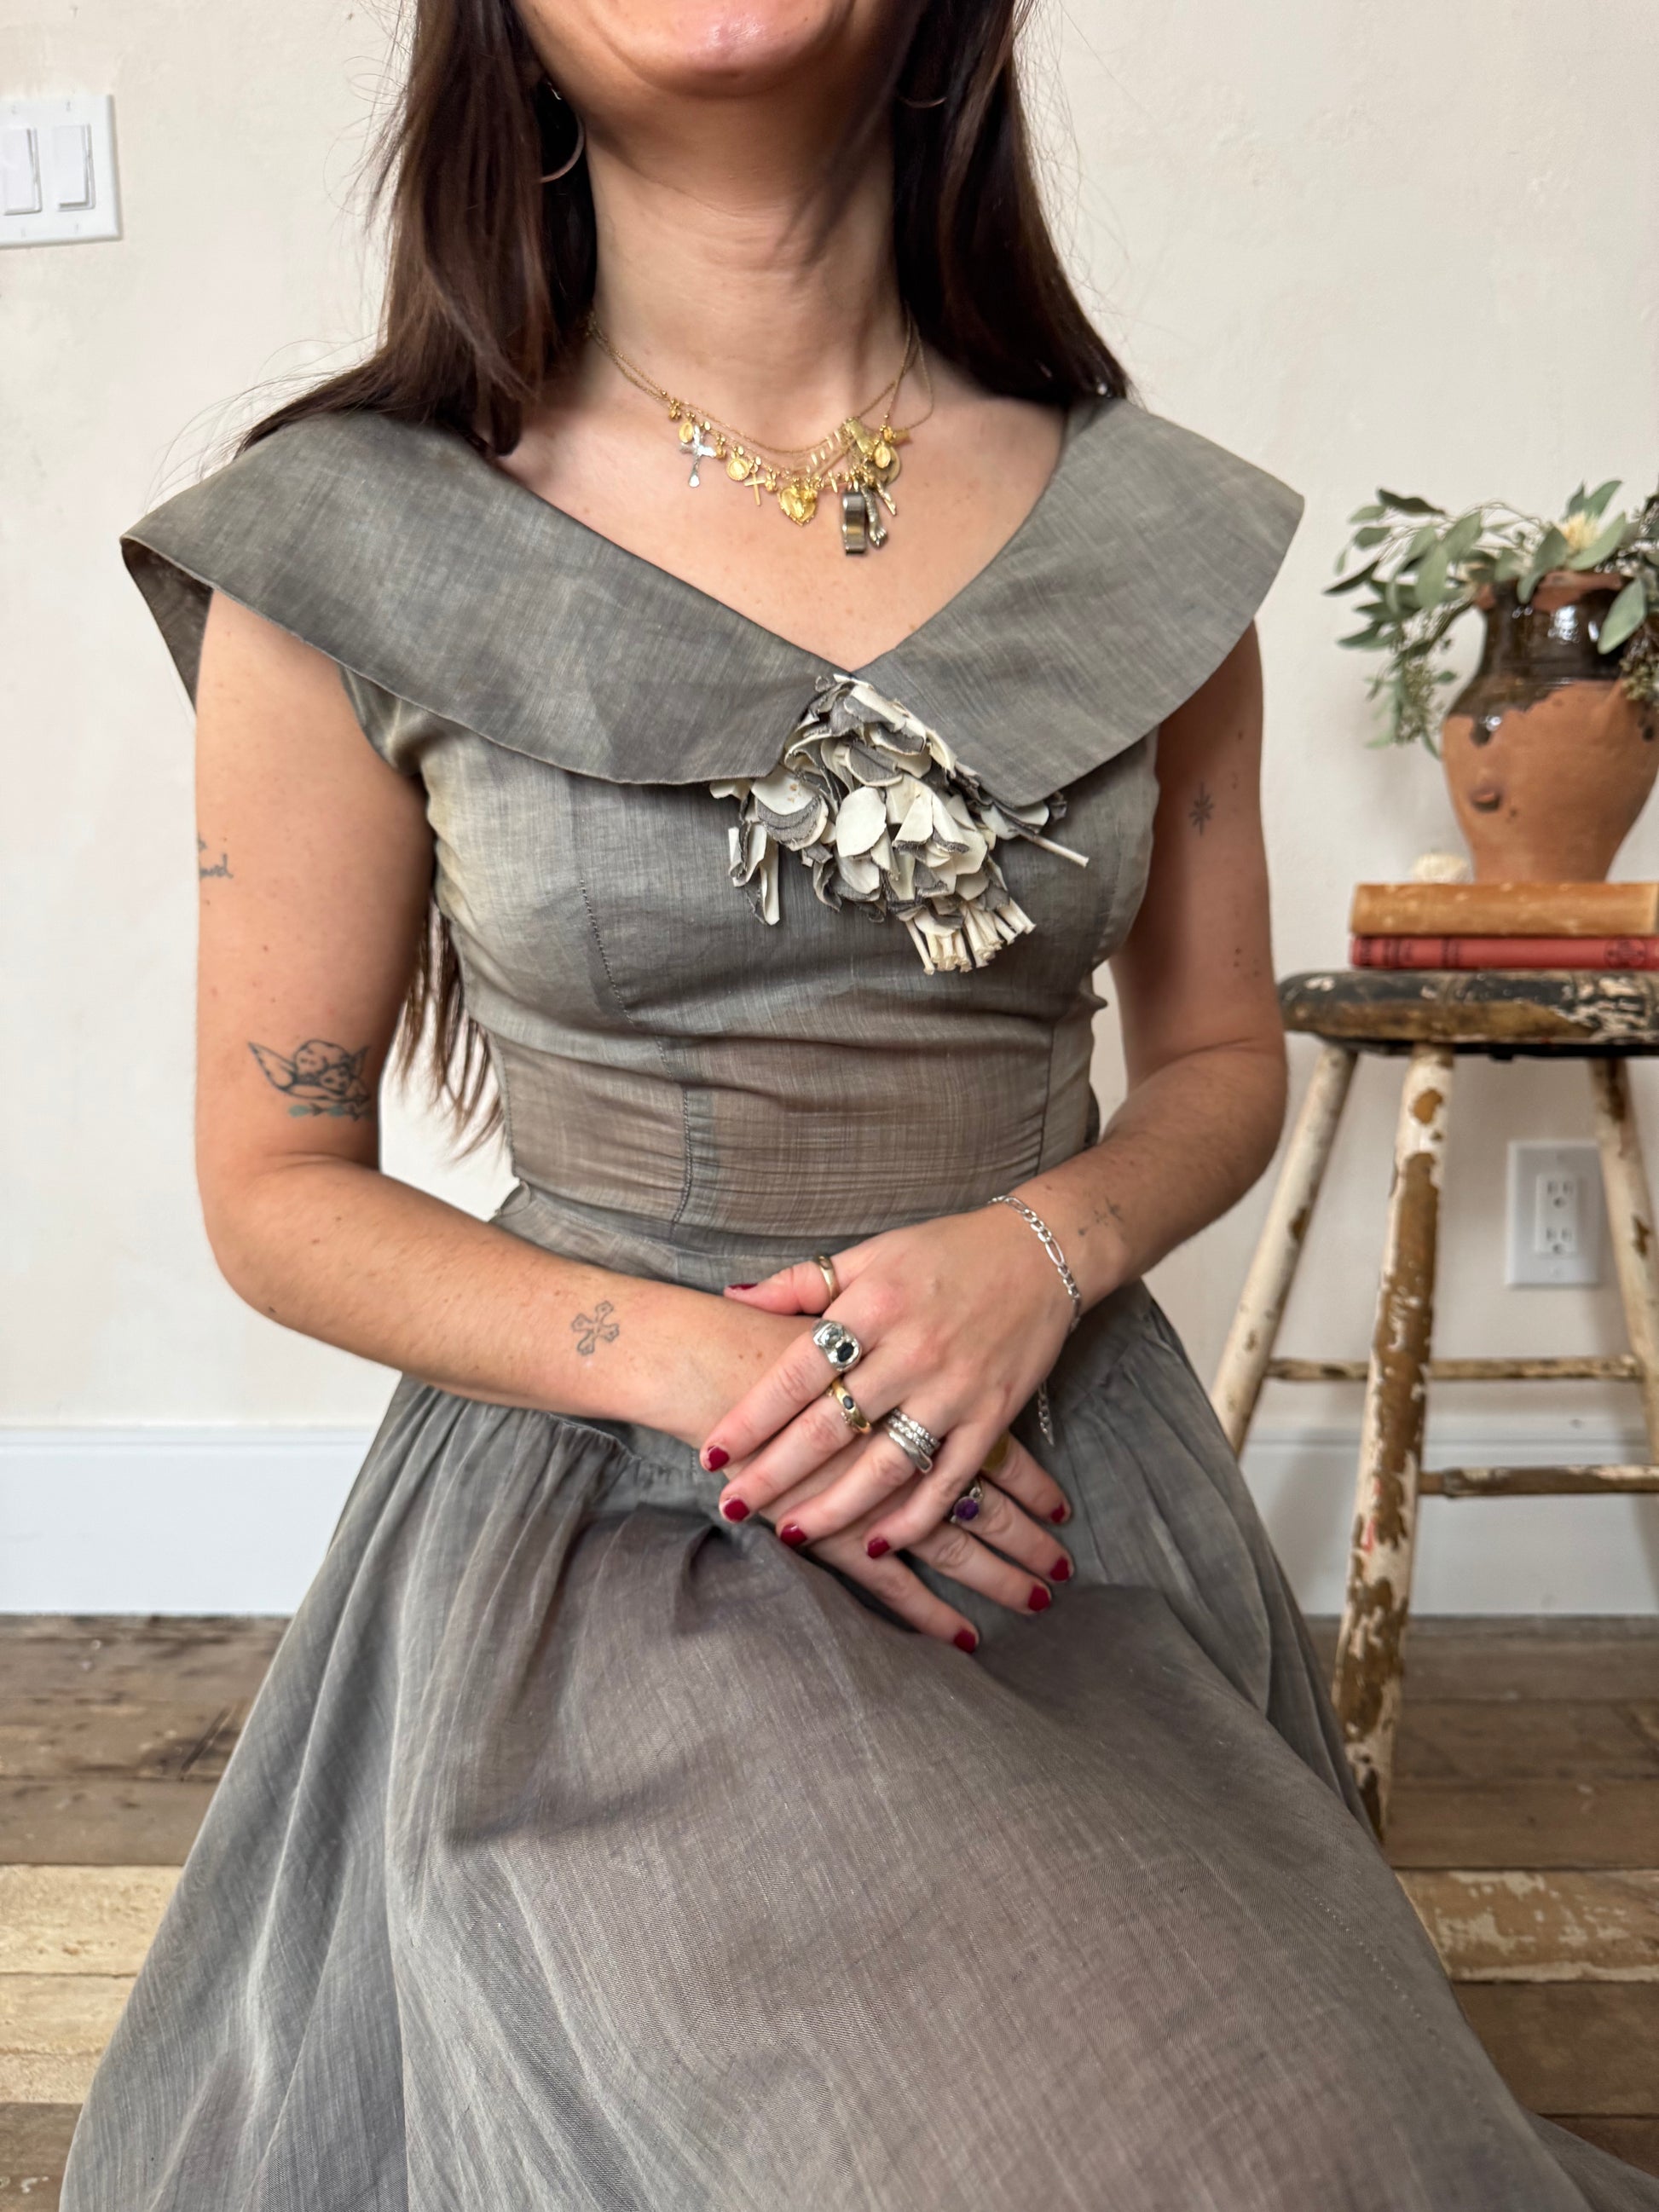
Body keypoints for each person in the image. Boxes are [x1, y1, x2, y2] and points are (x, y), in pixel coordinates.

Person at [63, 1, 1659, 2205]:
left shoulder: (1149, 538)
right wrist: (744, 1382)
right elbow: (276, 1184)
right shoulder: (349, 547)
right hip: (612, 1527)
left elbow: (1215, 1063)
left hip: (1061, 1492)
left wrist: (1037, 1254)